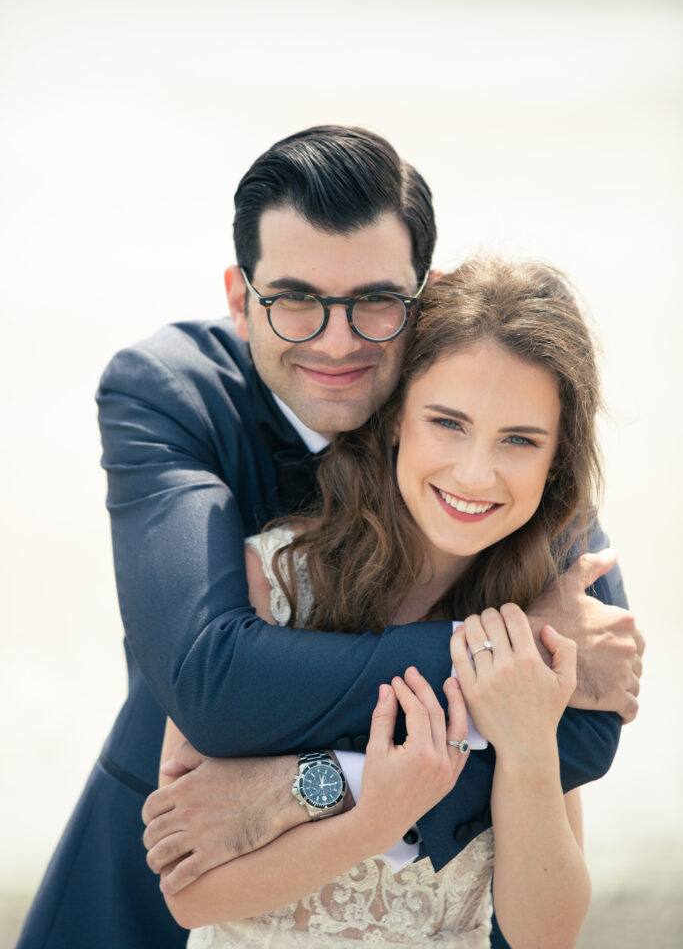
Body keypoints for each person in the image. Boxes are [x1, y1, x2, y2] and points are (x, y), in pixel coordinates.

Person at [17, 126, 641, 949]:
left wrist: (301, 786)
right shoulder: (171, 394)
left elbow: (587, 733)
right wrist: (511, 651)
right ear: (241, 300)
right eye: (296, 300)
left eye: (376, 301)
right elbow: (211, 684)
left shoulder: (492, 426)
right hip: (168, 852)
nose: (338, 340)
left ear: (428, 302)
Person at [159, 257, 603, 948]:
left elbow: (545, 934)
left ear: (555, 462)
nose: (475, 472)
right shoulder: (273, 581)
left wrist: (524, 752)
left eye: (518, 440)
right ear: (395, 416)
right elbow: (189, 892)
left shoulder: (531, 621)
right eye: (447, 423)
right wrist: (375, 815)